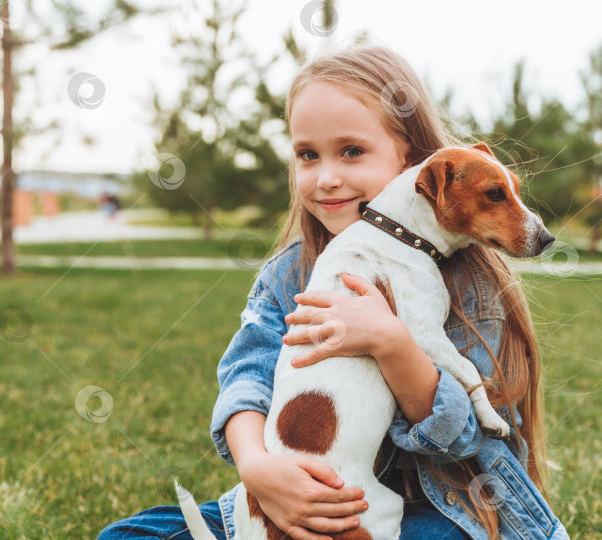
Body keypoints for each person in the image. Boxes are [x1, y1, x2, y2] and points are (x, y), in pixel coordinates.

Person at [99, 44, 569, 540]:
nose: (327, 178)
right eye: (307, 154)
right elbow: (248, 378)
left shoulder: (470, 282)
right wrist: (257, 469)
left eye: (352, 151)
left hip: (441, 505)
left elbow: (467, 437)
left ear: (410, 159)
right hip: (294, 498)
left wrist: (392, 343)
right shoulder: (290, 272)